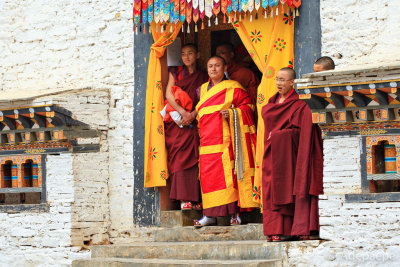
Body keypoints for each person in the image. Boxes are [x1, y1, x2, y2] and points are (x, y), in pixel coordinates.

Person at [193, 56, 258, 227]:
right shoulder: (201, 90)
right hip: (206, 141)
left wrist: (234, 113)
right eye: (210, 66)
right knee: (208, 179)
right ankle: (209, 215)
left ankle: (234, 215)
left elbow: (248, 107)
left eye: (217, 66)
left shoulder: (234, 88)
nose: (213, 69)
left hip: (226, 140)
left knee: (229, 177)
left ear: (225, 68)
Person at [261, 67, 323, 241]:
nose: (278, 83)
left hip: (290, 157)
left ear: (292, 83)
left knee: (286, 189)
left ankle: (288, 229)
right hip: (271, 153)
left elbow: (302, 134)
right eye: (277, 79)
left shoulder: (300, 105)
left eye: (282, 80)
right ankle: (274, 230)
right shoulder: (271, 104)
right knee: (269, 189)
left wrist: (280, 135)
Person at [164, 43, 208, 210]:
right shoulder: (175, 72)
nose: (187, 57)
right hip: (178, 122)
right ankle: (183, 199)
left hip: (195, 121)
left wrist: (193, 114)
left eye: (190, 53)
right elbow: (169, 94)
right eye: (183, 54)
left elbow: (206, 96)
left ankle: (196, 199)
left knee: (196, 159)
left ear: (197, 55)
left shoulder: (203, 75)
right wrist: (183, 112)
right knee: (179, 159)